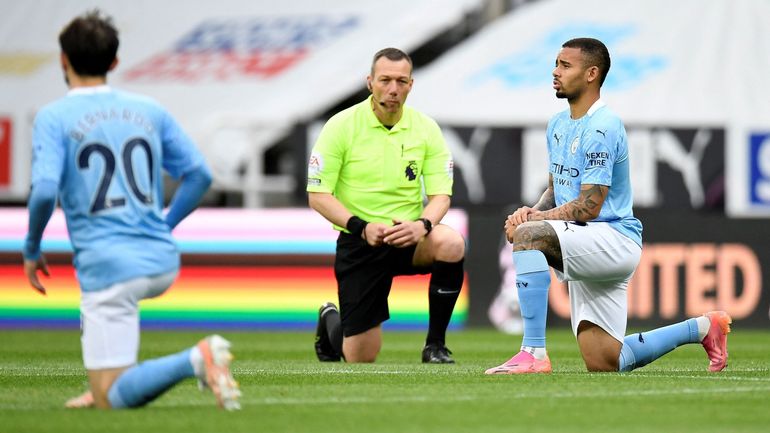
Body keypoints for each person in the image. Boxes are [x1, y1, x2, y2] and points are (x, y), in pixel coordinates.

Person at [22, 10, 240, 409]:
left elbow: (43, 192)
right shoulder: (148, 109)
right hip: (161, 260)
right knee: (109, 385)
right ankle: (112, 382)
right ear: (115, 62)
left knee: (112, 400)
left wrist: (32, 247)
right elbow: (200, 175)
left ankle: (196, 358)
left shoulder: (54, 117)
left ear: (63, 60)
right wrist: (163, 224)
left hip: (108, 264)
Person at [485, 38, 731, 374]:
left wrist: (534, 223)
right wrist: (530, 211)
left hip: (612, 239)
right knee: (604, 361)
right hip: (585, 241)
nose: (555, 72)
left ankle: (533, 353)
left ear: (591, 74)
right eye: (556, 64)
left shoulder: (602, 126)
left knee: (530, 236)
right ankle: (703, 328)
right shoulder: (558, 124)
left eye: (564, 65)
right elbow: (558, 187)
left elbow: (589, 206)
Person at [307, 47, 465, 363]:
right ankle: (329, 320)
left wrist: (421, 226)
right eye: (385, 80)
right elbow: (318, 195)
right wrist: (361, 227)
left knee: (451, 242)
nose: (393, 89)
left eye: (401, 81)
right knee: (361, 357)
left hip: (409, 237)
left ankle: (435, 346)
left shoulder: (426, 128)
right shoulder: (341, 125)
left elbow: (440, 196)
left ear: (411, 84)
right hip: (360, 240)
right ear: (370, 82)